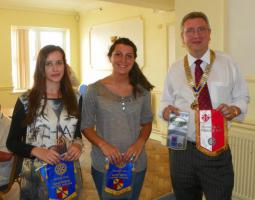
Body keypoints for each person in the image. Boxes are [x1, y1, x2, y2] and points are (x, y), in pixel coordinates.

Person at [158, 11, 249, 200]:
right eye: (190, 31)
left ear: (210, 33)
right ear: (182, 37)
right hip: (180, 144)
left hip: (215, 145)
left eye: (201, 29)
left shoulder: (227, 63)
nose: (196, 35)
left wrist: (234, 109)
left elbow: (242, 97)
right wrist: (166, 110)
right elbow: (165, 100)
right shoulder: (174, 68)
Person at [6, 45, 83, 200]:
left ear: (65, 65)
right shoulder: (26, 101)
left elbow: (76, 133)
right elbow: (12, 142)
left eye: (59, 63)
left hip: (67, 172)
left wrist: (77, 145)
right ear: (41, 68)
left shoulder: (76, 98)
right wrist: (37, 151)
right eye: (49, 64)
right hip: (36, 176)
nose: (55, 68)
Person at [81, 37, 154, 200]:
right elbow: (85, 126)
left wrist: (139, 143)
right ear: (110, 57)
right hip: (104, 163)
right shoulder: (94, 90)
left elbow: (147, 122)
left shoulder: (142, 91)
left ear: (134, 59)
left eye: (129, 56)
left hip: (136, 163)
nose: (123, 60)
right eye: (118, 54)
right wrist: (103, 145)